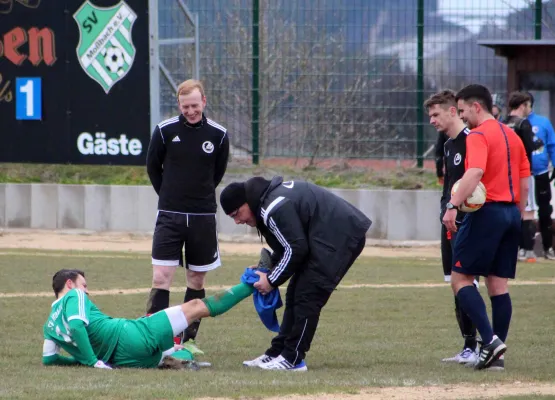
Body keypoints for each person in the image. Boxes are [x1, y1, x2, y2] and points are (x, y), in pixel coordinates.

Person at [219, 176, 372, 371]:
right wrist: (267, 267)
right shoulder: (265, 203)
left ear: (247, 202)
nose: (238, 221)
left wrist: (271, 280)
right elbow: (288, 244)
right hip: (324, 235)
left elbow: (296, 248)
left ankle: (293, 359)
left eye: (236, 213)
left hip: (340, 235)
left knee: (307, 296)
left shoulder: (272, 207)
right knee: (294, 293)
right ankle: (277, 352)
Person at [444, 84, 530, 370]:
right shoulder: (512, 135)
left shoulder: (479, 134)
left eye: (464, 110)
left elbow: (476, 171)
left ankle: (490, 341)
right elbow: (524, 179)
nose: (463, 116)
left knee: (460, 279)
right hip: (511, 213)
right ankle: (497, 358)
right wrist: (517, 214)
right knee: (498, 285)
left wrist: (453, 204)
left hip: (487, 212)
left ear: (476, 107)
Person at [146, 79, 230, 353]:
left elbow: (216, 174)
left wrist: (197, 198)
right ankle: (154, 342)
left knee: (196, 279)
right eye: (185, 107)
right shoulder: (164, 131)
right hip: (169, 215)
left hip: (203, 216)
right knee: (161, 277)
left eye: (195, 105)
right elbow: (152, 169)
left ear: (204, 102)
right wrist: (169, 196)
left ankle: (186, 342)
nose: (190, 111)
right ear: (179, 105)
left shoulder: (219, 135)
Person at [42, 269, 254, 369]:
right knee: (197, 306)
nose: (86, 291)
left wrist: (79, 359)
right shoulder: (74, 295)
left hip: (126, 360)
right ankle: (251, 282)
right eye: (84, 285)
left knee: (170, 349)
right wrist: (91, 361)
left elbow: (49, 359)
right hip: (129, 335)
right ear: (69, 284)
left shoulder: (49, 326)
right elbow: (78, 325)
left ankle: (179, 356)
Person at [424, 89, 479, 365]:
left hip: (468, 223)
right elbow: (449, 186)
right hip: (448, 223)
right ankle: (469, 346)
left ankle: (480, 345)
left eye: (435, 114)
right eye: (430, 116)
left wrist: (461, 210)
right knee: (454, 285)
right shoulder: (447, 145)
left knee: (468, 283)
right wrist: (446, 210)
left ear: (453, 111)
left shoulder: (472, 141)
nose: (432, 120)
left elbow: (477, 184)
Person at [526, 92, 555, 260]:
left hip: (541, 174)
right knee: (523, 213)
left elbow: (553, 145)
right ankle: (523, 248)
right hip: (523, 176)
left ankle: (548, 248)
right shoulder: (514, 124)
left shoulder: (543, 123)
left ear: (529, 104)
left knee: (545, 210)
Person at [503, 91, 538, 263]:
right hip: (523, 173)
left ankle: (510, 249)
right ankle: (528, 250)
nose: (529, 109)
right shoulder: (524, 124)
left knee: (509, 210)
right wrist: (538, 143)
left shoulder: (502, 123)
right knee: (527, 212)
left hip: (505, 174)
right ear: (523, 105)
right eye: (529, 105)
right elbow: (529, 148)